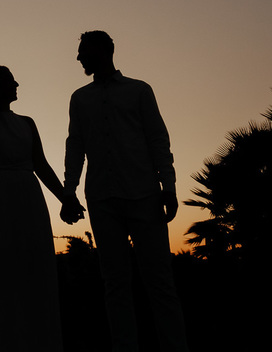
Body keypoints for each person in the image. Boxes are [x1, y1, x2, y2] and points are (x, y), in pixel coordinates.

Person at [61, 31, 189, 352]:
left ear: (104, 51)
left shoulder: (139, 91)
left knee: (159, 282)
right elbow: (75, 146)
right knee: (115, 285)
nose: (78, 58)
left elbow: (158, 141)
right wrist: (69, 190)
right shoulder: (80, 99)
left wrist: (169, 186)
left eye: (82, 52)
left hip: (144, 195)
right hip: (102, 199)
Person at [0, 66, 72, 351]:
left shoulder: (27, 122)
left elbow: (41, 165)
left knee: (34, 269)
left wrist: (66, 197)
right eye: (9, 80)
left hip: (29, 200)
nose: (16, 83)